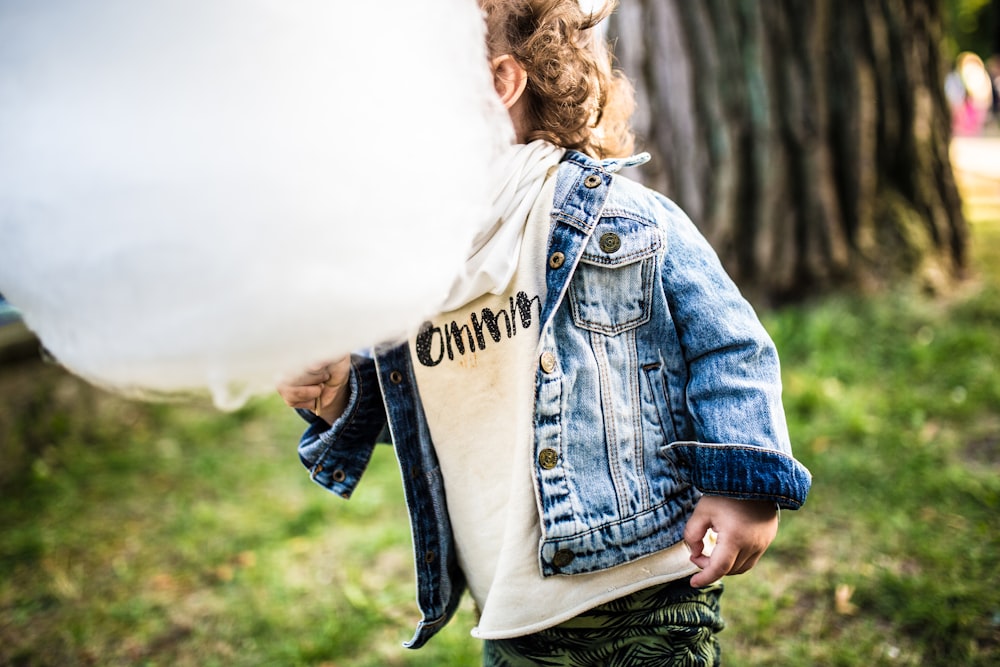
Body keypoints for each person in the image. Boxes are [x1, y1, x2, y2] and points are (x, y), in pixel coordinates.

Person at [278, 1, 811, 664]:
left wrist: (745, 482)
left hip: (637, 590)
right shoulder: (417, 268)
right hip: (509, 610)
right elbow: (438, 401)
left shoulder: (619, 218)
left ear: (500, 83)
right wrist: (342, 392)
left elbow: (732, 344)